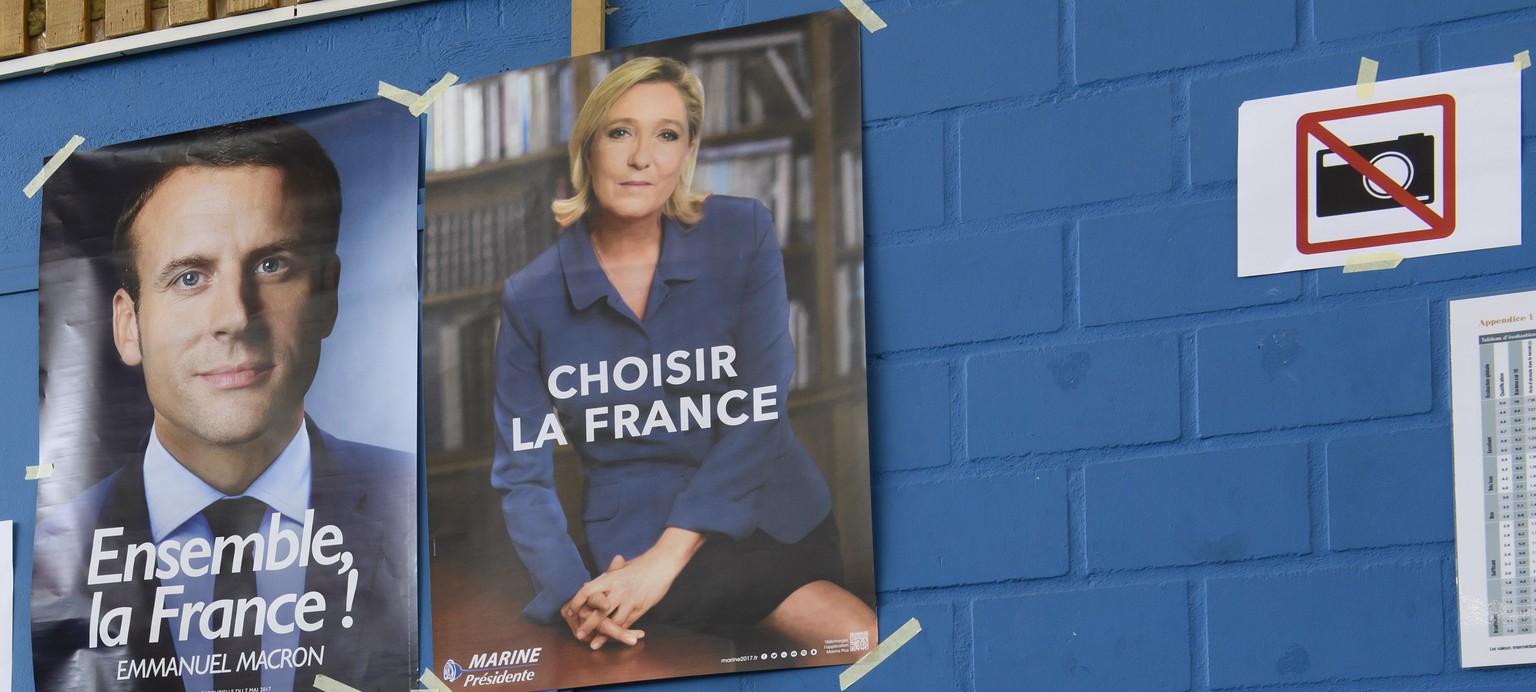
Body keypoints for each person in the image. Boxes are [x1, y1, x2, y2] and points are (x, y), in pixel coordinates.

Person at [491, 57, 877, 653]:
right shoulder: (530, 295)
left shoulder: (742, 231)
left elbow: (761, 407)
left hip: (773, 513)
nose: (641, 157)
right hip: (634, 539)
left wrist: (662, 563)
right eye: (620, 132)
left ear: (687, 150)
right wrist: (576, 595)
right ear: (588, 145)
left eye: (666, 135)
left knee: (862, 642)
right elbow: (522, 475)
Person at [30, 117, 415, 692]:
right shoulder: (58, 551)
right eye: (189, 277)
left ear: (327, 294)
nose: (235, 315)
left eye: (271, 265)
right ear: (128, 325)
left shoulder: (413, 499)